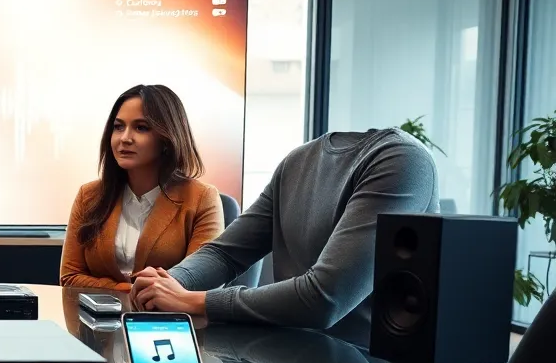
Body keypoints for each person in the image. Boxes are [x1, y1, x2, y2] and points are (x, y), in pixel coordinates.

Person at [131, 128, 438, 330]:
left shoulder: (403, 161)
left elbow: (324, 299)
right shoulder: (297, 161)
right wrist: (165, 285)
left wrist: (193, 300)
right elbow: (225, 254)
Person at [60, 84, 223, 293]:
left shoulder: (202, 198)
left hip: (167, 321)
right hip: (99, 320)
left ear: (167, 138)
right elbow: (70, 277)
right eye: (118, 127)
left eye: (141, 128)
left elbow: (202, 280)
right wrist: (125, 290)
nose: (124, 138)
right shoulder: (89, 195)